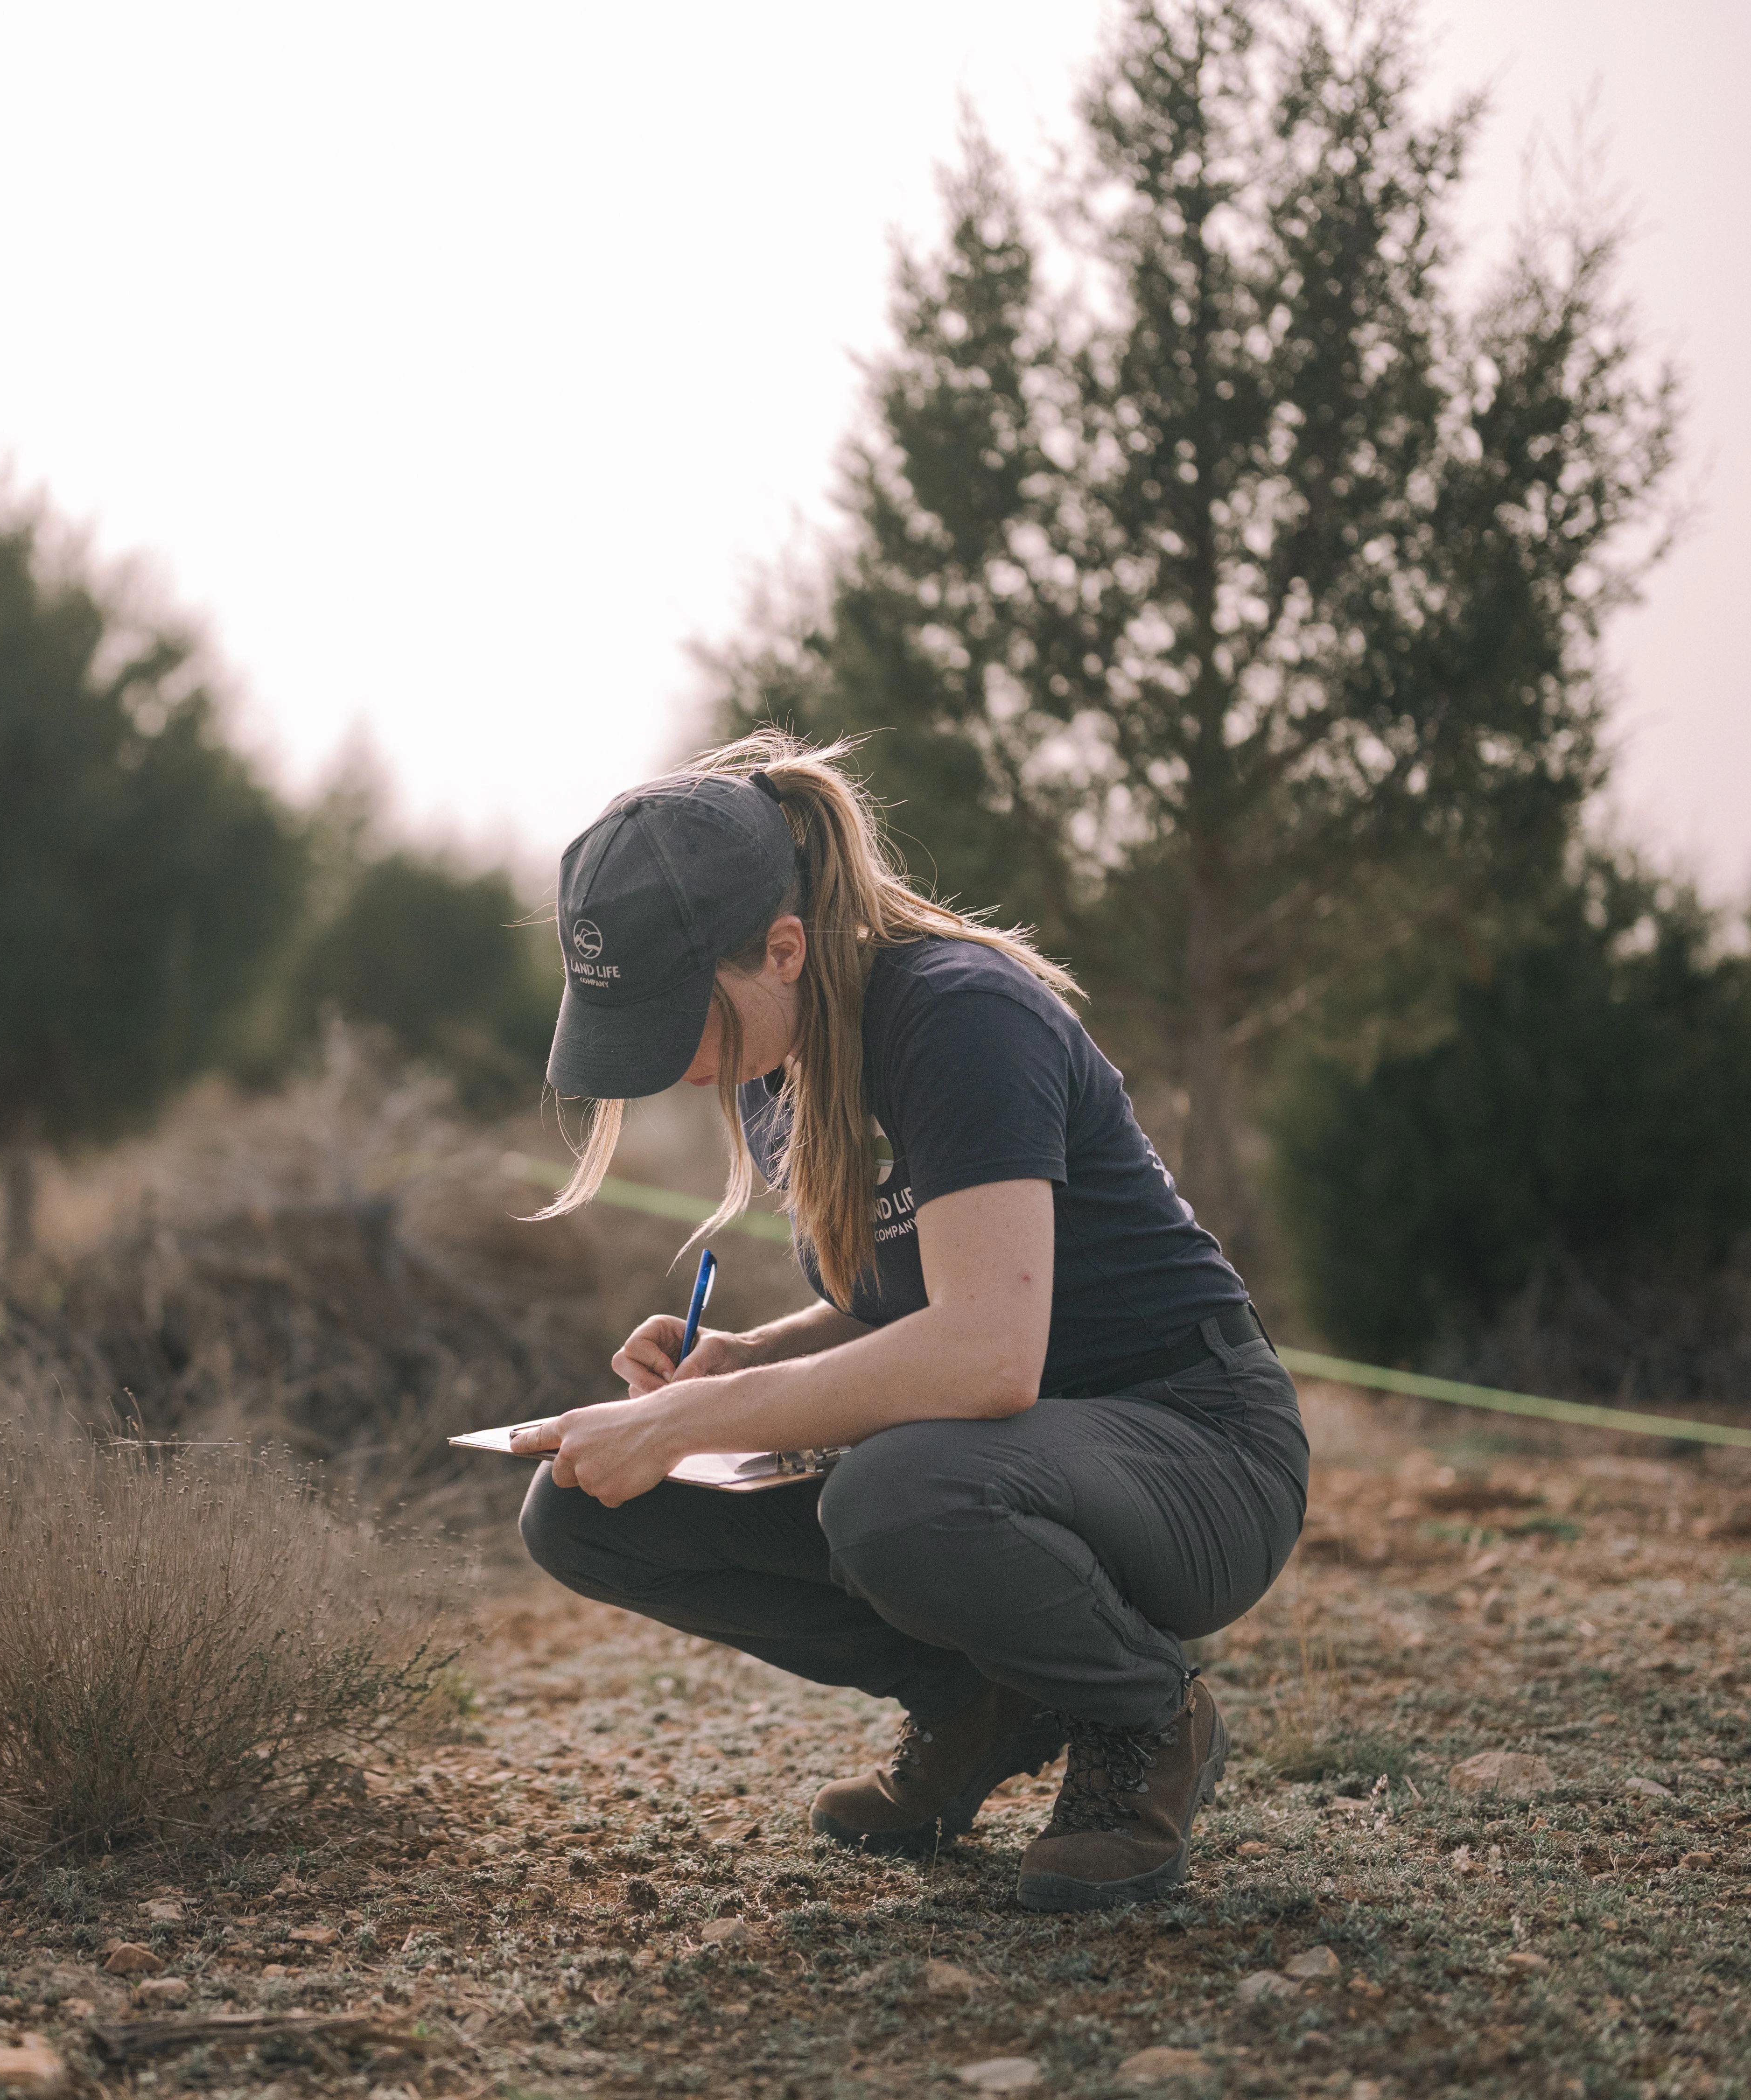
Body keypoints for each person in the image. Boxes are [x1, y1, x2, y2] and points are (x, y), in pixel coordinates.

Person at [510, 730, 1309, 1912]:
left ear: (783, 949)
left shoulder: (960, 1017)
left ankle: (1145, 1715)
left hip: (1200, 1445)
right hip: (1024, 1456)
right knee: (581, 1518)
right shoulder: (783, 1060)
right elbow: (894, 1301)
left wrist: (695, 1418)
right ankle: (976, 1701)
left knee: (898, 1495)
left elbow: (986, 1352)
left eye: (684, 1021)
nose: (672, 1067)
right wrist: (741, 1359)